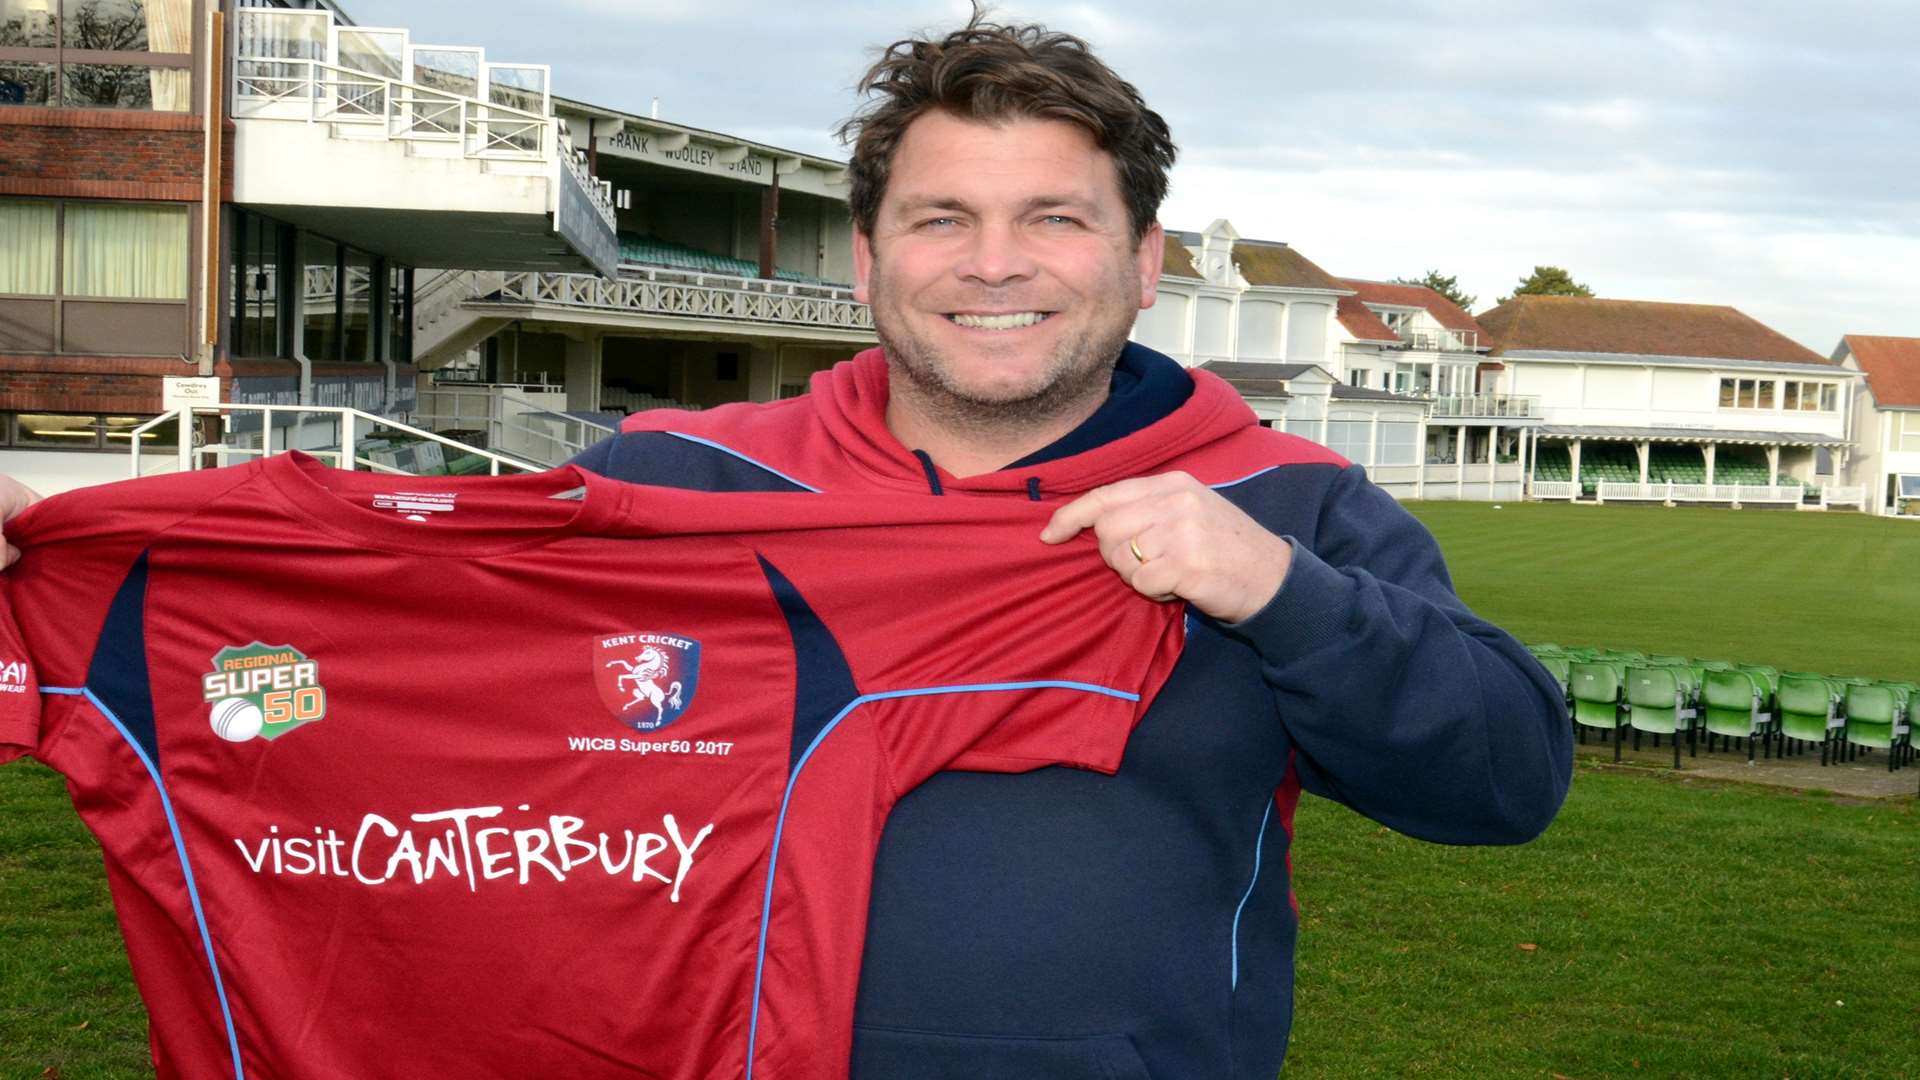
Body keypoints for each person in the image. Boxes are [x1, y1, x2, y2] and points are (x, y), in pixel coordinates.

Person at [0, 13, 1572, 1077]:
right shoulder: (672, 485)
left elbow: (1505, 783)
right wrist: (84, 552)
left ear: (1145, 258)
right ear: (872, 249)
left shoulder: (1283, 497)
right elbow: (419, 649)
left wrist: (1279, 597)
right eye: (942, 218)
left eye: (1056, 218)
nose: (995, 264)